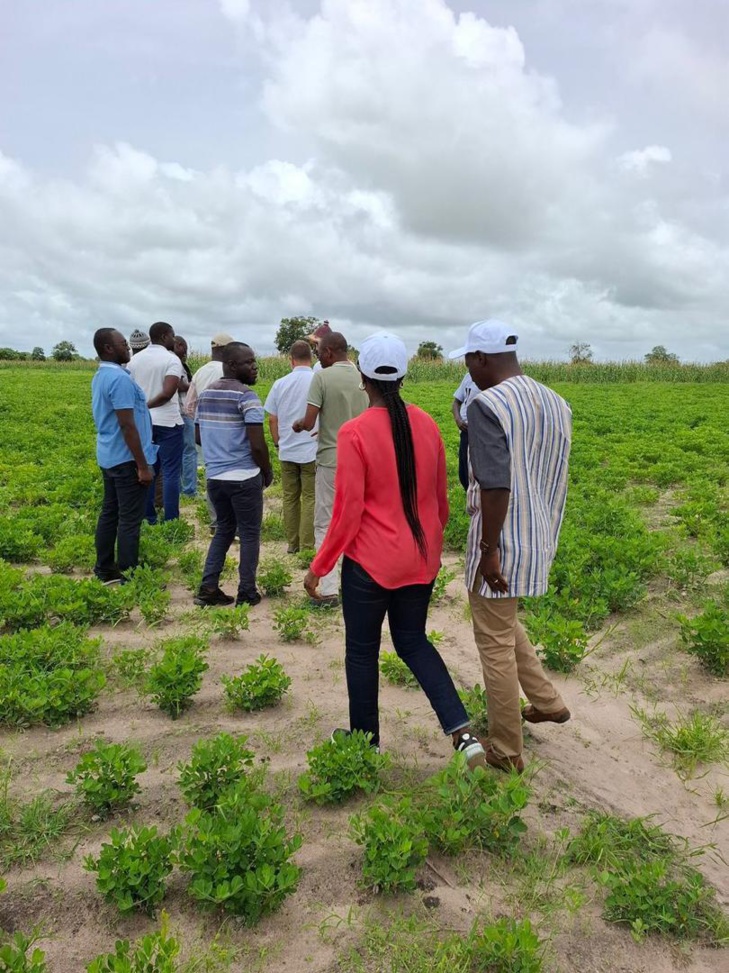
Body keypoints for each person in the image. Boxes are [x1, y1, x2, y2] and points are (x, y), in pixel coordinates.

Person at [303, 332, 487, 769]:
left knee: (362, 652)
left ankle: (366, 744)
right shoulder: (426, 424)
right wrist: (427, 552)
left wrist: (319, 568)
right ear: (403, 377)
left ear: (364, 378)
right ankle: (464, 736)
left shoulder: (355, 433)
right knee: (414, 642)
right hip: (420, 560)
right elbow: (441, 505)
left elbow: (347, 514)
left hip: (370, 565)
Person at [448, 319, 572, 773]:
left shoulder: (487, 405)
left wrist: (489, 547)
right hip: (539, 531)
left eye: (468, 360)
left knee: (493, 642)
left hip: (504, 539)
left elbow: (496, 483)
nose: (468, 371)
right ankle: (547, 701)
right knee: (503, 621)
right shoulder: (556, 402)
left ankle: (505, 748)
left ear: (481, 359)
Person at [194, 342, 272, 607]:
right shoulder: (246, 397)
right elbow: (257, 445)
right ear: (231, 365)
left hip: (215, 478)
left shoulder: (205, 396)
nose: (254, 367)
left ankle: (208, 587)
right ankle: (247, 591)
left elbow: (198, 435)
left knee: (224, 530)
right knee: (250, 534)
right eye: (248, 362)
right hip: (243, 478)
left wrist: (220, 451)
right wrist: (266, 471)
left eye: (254, 361)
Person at [293, 331, 367, 606]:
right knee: (359, 521)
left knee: (326, 521)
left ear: (330, 352)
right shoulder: (363, 376)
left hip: (332, 459)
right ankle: (359, 584)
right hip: (363, 459)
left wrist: (300, 425)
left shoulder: (322, 377)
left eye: (320, 352)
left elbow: (310, 421)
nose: (318, 357)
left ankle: (328, 587)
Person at [90, 328, 156, 583]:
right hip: (127, 459)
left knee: (110, 513)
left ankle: (105, 569)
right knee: (129, 519)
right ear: (108, 348)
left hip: (109, 455)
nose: (128, 347)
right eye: (122, 344)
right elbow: (127, 425)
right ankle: (129, 575)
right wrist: (142, 465)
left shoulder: (102, 375)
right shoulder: (119, 380)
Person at [264, 340, 317, 553]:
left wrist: (277, 443)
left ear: (291, 360)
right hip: (311, 450)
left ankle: (292, 544)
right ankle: (307, 545)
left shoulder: (280, 383)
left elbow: (272, 419)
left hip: (287, 450)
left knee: (290, 497)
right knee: (311, 497)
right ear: (311, 358)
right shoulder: (317, 381)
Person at [128, 322, 184, 524]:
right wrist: (147, 406)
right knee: (170, 473)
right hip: (169, 423)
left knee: (150, 468)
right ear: (164, 336)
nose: (174, 339)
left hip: (144, 424)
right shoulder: (172, 359)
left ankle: (149, 516)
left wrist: (142, 410)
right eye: (172, 335)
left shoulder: (135, 361)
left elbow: (131, 392)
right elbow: (168, 394)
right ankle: (171, 520)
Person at [186, 332, 235, 531]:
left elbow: (189, 406)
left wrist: (201, 423)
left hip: (206, 433)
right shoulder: (231, 371)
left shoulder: (200, 372)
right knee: (233, 475)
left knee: (212, 475)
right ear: (226, 350)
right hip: (230, 431)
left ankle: (216, 522)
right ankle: (233, 520)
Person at [173, 336, 197, 498]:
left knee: (178, 451)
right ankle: (189, 490)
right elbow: (179, 385)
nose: (186, 353)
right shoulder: (174, 363)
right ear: (179, 345)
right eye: (185, 349)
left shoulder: (168, 362)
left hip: (173, 413)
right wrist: (196, 385)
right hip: (183, 411)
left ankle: (180, 487)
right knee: (189, 451)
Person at [452, 370, 477, 491]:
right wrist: (458, 419)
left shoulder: (493, 381)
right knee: (464, 472)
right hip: (465, 431)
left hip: (479, 433)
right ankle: (469, 495)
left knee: (476, 471)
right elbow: (457, 401)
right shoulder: (468, 376)